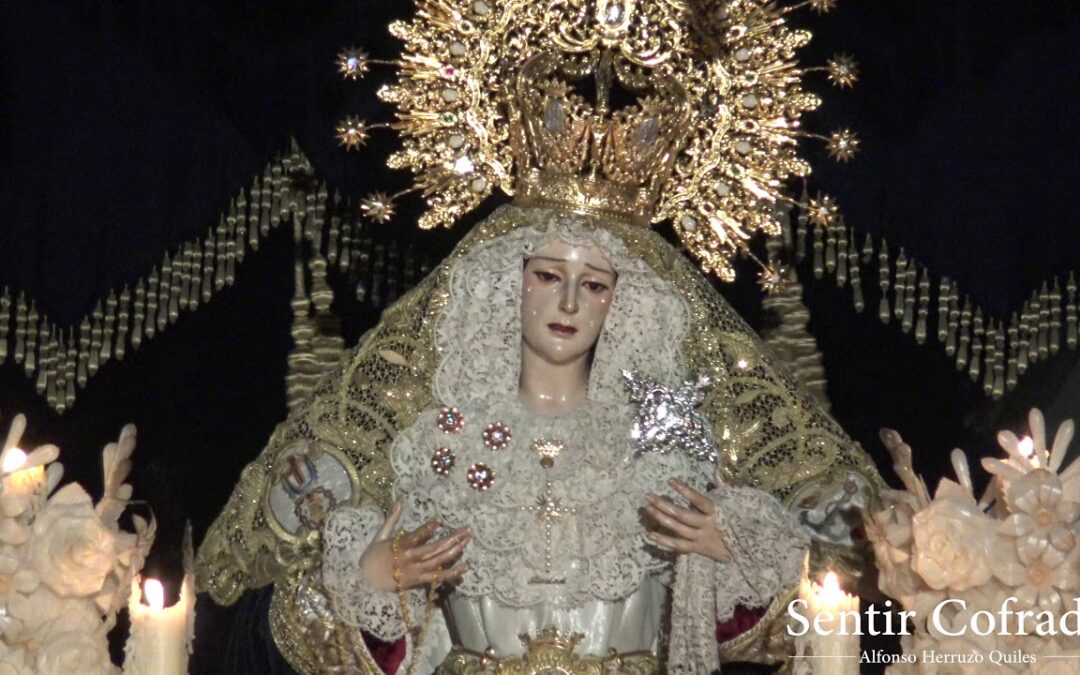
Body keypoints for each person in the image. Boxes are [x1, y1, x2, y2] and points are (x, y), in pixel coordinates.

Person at [196, 2, 883, 671]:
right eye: (548, 275)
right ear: (505, 283)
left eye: (595, 285)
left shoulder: (672, 453)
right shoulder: (437, 441)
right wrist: (375, 579)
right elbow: (321, 624)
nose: (568, 302)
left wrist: (729, 555)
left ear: (627, 304)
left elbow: (800, 624)